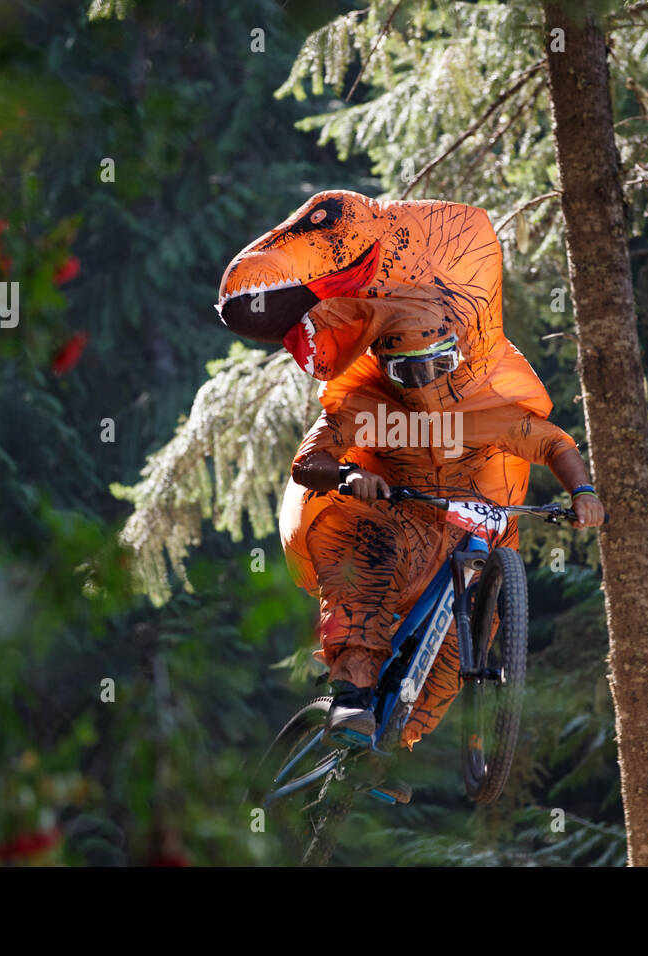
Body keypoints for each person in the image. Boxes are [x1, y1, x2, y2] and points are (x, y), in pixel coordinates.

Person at [217, 190, 603, 749]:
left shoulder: (488, 415)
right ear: (384, 367)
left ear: (458, 357)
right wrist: (349, 479)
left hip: (453, 530)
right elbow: (310, 462)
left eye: (436, 363)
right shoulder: (363, 406)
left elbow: (551, 443)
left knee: (464, 634)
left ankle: (391, 746)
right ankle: (349, 699)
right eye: (406, 368)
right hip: (385, 515)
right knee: (363, 564)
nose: (423, 381)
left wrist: (582, 491)